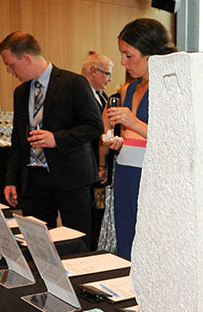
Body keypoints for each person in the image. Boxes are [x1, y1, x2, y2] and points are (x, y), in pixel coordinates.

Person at [0, 31, 102, 245]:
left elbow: (94, 126)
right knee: (36, 241)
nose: (9, 71)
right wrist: (11, 180)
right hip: (34, 178)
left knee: (77, 239)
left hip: (71, 175)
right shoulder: (20, 92)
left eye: (11, 65)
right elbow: (17, 139)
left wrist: (57, 138)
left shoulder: (74, 83)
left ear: (26, 59)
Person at [99, 18, 177, 260]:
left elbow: (173, 139)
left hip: (152, 178)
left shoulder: (169, 87)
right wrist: (117, 143)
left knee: (150, 247)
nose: (123, 62)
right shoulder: (130, 88)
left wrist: (133, 122)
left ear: (150, 54)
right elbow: (133, 137)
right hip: (125, 174)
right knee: (126, 240)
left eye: (129, 55)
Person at [82, 53, 114, 251]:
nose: (109, 80)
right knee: (90, 214)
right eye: (107, 74)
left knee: (100, 212)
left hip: (102, 161)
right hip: (89, 161)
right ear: (93, 71)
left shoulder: (102, 96)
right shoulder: (80, 94)